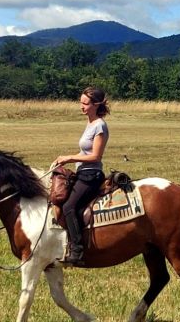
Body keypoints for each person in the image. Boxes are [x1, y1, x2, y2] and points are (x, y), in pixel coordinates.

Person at [53, 86, 109, 264]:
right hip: (83, 173)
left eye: (85, 103)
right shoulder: (90, 123)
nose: (81, 106)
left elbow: (95, 156)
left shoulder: (99, 125)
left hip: (91, 175)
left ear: (96, 105)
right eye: (80, 102)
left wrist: (69, 157)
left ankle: (77, 252)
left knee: (69, 207)